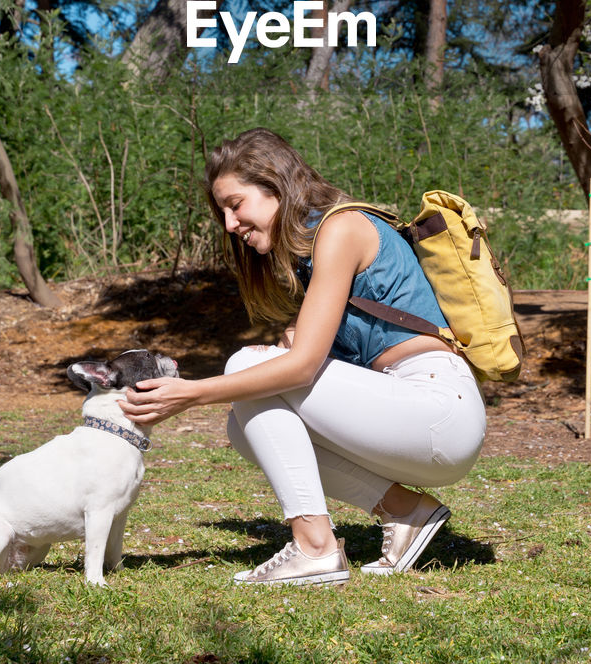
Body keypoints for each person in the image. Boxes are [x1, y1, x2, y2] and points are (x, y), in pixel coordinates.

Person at [116, 128, 486, 587]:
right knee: (243, 426)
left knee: (249, 368)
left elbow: (302, 368)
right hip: (415, 413)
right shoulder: (317, 245)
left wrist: (191, 394)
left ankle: (314, 547)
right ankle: (406, 511)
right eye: (224, 213)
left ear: (275, 185)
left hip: (438, 408)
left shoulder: (341, 227)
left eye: (235, 205)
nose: (230, 225)